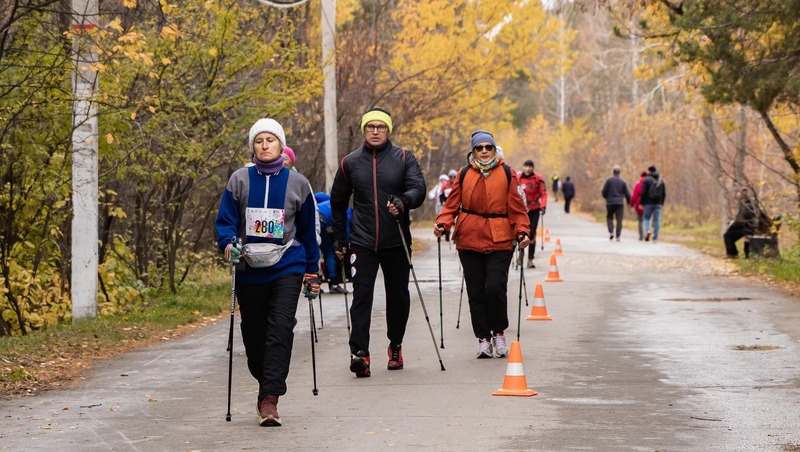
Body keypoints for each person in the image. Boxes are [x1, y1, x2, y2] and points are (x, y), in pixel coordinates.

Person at [214, 118, 320, 427]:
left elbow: (307, 231)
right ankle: (265, 382)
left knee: (280, 327)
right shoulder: (239, 179)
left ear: (280, 145)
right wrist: (228, 243)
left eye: (270, 140)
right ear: (253, 146)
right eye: (259, 140)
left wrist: (312, 272)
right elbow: (226, 220)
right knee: (254, 334)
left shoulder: (298, 183)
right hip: (249, 266)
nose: (264, 145)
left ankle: (270, 399)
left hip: (288, 263)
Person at [330, 107, 426, 378]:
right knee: (361, 296)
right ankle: (360, 354)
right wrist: (339, 238)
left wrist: (402, 201)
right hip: (362, 242)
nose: (375, 131)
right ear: (364, 130)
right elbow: (338, 201)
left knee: (398, 297)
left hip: (396, 240)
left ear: (388, 130)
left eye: (380, 127)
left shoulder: (404, 157)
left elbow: (418, 190)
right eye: (370, 127)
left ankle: (395, 344)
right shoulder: (350, 163)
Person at [433, 130, 530, 359]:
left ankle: (499, 332)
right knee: (476, 291)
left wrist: (522, 232)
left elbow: (517, 208)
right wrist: (442, 224)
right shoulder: (464, 173)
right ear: (473, 150)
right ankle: (483, 339)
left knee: (495, 287)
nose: (484, 151)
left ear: (494, 149)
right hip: (469, 238)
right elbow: (451, 205)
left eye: (489, 147)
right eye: (479, 148)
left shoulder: (507, 173)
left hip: (500, 238)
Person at [315, 192, 351, 294]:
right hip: (319, 221)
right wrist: (344, 245)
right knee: (329, 253)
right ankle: (334, 284)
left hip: (313, 217)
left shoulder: (328, 201)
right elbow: (346, 233)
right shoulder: (348, 212)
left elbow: (318, 196)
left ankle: (312, 284)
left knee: (313, 252)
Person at [517, 159, 547, 268]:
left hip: (534, 209)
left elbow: (543, 193)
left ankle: (530, 259)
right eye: (526, 166)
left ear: (533, 168)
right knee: (521, 232)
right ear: (523, 167)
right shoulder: (518, 178)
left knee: (532, 233)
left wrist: (543, 206)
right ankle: (520, 255)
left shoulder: (538, 178)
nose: (528, 169)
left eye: (530, 167)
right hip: (522, 210)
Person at [723, 187, 759, 258]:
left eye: (739, 193)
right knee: (730, 234)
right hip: (748, 226)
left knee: (727, 235)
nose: (737, 195)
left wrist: (733, 223)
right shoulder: (749, 203)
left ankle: (732, 253)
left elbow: (743, 218)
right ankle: (734, 253)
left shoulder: (747, 205)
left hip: (746, 226)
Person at [601, 165, 631, 241]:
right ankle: (618, 235)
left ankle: (611, 232)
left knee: (609, 217)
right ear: (619, 172)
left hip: (610, 202)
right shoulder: (622, 181)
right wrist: (629, 202)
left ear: (613, 172)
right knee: (619, 219)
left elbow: (604, 191)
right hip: (619, 203)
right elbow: (627, 193)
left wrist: (607, 198)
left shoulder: (608, 181)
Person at [641, 165, 666, 242]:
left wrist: (642, 202)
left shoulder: (647, 179)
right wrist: (661, 203)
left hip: (648, 203)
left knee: (646, 218)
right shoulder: (661, 180)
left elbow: (643, 192)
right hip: (658, 203)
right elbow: (663, 193)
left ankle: (648, 230)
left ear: (649, 171)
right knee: (656, 220)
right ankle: (655, 237)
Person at [630, 171, 647, 240]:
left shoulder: (638, 184)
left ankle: (641, 236)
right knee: (647, 219)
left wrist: (632, 204)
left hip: (639, 203)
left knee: (640, 220)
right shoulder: (650, 183)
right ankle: (646, 234)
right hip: (648, 204)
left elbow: (634, 196)